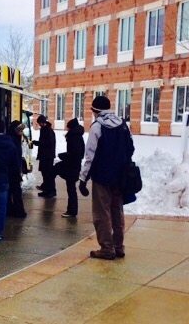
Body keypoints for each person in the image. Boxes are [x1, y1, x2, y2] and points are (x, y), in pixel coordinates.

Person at [79, 96, 134, 260]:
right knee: (117, 211)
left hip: (102, 177)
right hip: (120, 177)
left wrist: (83, 179)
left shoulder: (97, 127)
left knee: (101, 213)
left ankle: (106, 248)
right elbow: (131, 148)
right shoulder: (123, 125)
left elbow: (90, 155)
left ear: (95, 111)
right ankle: (119, 246)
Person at [56, 118, 85, 218]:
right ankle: (72, 210)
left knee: (71, 189)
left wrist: (62, 156)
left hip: (72, 167)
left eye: (68, 128)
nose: (67, 130)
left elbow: (74, 154)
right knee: (71, 188)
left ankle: (72, 211)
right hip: (75, 166)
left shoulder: (73, 137)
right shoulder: (78, 136)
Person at [6, 120, 27, 218]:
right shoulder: (13, 140)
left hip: (13, 169)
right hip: (12, 170)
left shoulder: (14, 138)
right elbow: (14, 156)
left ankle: (12, 210)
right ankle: (18, 211)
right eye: (20, 130)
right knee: (16, 192)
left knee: (11, 191)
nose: (21, 132)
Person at [33, 115, 56, 198]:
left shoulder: (48, 131)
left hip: (48, 156)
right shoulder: (44, 129)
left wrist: (37, 143)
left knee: (48, 174)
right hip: (44, 156)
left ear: (43, 122)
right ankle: (46, 190)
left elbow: (48, 144)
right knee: (44, 173)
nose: (39, 125)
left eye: (39, 123)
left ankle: (52, 191)